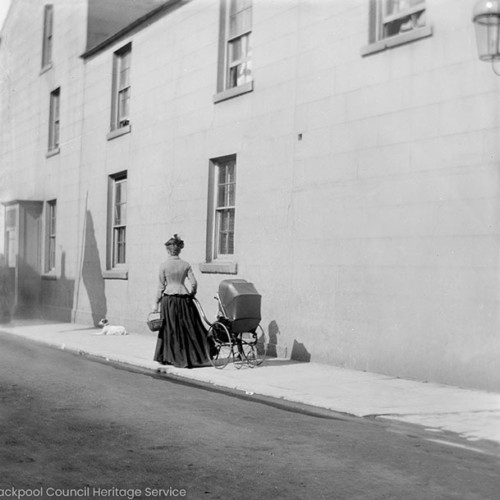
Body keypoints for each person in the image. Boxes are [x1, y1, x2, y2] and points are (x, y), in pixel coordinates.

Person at [152, 234, 210, 368]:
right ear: (179, 250)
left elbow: (161, 287)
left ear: (168, 250)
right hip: (184, 299)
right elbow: (194, 283)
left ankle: (170, 357)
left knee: (170, 328)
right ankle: (192, 357)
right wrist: (191, 293)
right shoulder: (185, 264)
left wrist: (156, 303)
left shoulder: (164, 265)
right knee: (189, 327)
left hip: (169, 300)